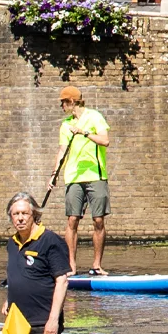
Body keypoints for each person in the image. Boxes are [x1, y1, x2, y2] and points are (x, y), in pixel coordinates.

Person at [56, 87, 111, 276]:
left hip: (96, 176)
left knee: (98, 220)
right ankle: (71, 266)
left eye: (63, 103)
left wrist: (84, 133)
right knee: (72, 220)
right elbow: (62, 151)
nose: (62, 107)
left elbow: (105, 141)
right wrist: (54, 174)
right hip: (73, 177)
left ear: (72, 102)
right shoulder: (66, 125)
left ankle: (96, 265)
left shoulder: (94, 117)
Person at [4, 191, 71, 334]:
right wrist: (8, 299)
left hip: (41, 324)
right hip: (16, 323)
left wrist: (53, 320)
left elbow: (62, 281)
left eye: (24, 213)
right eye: (16, 214)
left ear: (33, 214)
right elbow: (17, 274)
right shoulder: (12, 243)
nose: (20, 218)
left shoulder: (50, 241)